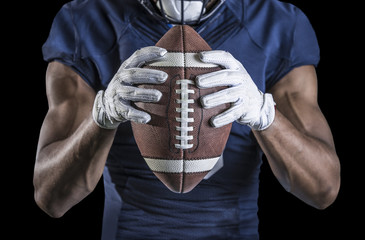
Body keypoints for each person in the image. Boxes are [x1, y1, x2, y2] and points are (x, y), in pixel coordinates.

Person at [34, 0, 341, 239]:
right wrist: (102, 116)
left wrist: (264, 113)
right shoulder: (88, 20)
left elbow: (323, 189)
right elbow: (50, 197)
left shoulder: (276, 23)